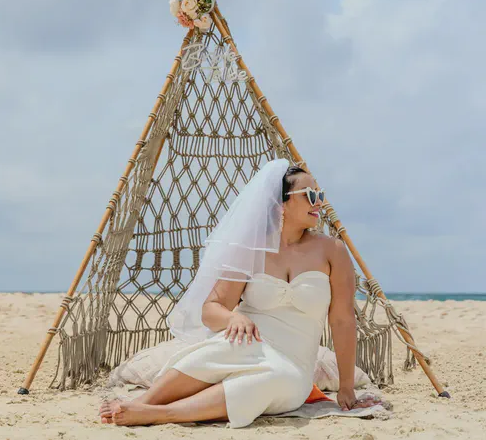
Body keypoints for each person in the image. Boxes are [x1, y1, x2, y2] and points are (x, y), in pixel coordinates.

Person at [99, 158, 377, 428]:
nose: (319, 202)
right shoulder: (250, 250)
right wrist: (232, 319)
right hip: (249, 343)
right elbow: (212, 309)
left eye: (320, 194)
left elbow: (342, 320)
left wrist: (347, 388)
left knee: (273, 378)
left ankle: (158, 414)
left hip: (292, 363)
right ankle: (145, 402)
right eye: (310, 194)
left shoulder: (333, 251)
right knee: (218, 350)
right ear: (280, 203)